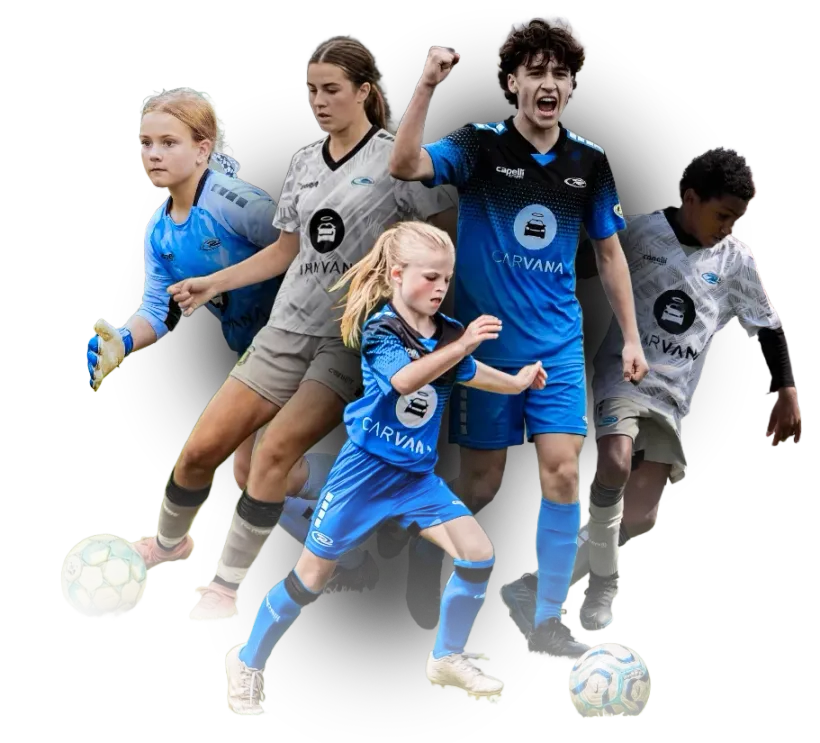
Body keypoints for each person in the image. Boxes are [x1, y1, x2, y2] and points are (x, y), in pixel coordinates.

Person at [138, 38, 456, 623]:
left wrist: (409, 304)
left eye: (331, 89)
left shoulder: (398, 160)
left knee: (274, 456)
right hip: (283, 329)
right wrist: (212, 283)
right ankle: (168, 544)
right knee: (200, 454)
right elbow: (286, 249)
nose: (319, 101)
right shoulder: (305, 162)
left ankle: (225, 589)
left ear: (364, 91)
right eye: (312, 90)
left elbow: (445, 238)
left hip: (347, 338)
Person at [388, 15, 647, 661]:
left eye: (561, 73)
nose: (549, 83)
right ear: (511, 82)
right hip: (484, 347)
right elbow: (404, 163)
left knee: (561, 474)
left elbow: (609, 254)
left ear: (573, 86)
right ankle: (407, 555)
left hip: (556, 346)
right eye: (536, 72)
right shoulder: (478, 144)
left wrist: (633, 338)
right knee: (480, 486)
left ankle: (548, 619)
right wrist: (427, 84)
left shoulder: (590, 160)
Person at [224, 220, 548, 715]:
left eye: (446, 278)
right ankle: (247, 661)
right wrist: (462, 346)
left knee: (479, 554)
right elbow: (403, 381)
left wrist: (517, 382)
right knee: (309, 580)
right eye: (429, 277)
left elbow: (467, 371)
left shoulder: (449, 332)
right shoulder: (382, 328)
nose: (440, 288)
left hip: (416, 480)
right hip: (363, 477)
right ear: (397, 275)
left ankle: (445, 657)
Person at [499, 145, 803, 636]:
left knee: (640, 515)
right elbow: (574, 266)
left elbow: (768, 326)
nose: (728, 227)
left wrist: (785, 389)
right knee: (615, 464)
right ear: (690, 198)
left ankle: (536, 585)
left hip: (672, 398)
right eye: (722, 215)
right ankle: (603, 581)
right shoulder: (638, 232)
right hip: (623, 376)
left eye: (737, 219)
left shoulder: (736, 260)